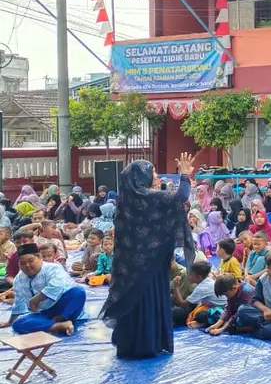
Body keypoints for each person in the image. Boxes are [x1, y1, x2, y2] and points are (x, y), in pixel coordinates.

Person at [102, 153, 195, 359]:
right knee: (147, 300)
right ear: (140, 176)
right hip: (148, 263)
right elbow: (180, 197)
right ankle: (147, 343)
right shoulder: (146, 196)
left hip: (129, 265)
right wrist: (185, 175)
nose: (155, 175)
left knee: (134, 300)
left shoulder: (128, 199)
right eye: (152, 171)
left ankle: (131, 343)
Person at [0, 243, 87, 335]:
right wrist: (10, 322)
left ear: (39, 257)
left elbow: (56, 286)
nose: (27, 265)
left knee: (78, 291)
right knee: (18, 324)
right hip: (44, 313)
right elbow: (19, 302)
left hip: (66, 309)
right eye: (22, 263)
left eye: (31, 260)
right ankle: (58, 326)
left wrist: (35, 299)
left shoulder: (53, 268)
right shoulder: (19, 279)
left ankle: (58, 320)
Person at [171, 261, 226, 327]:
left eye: (190, 275)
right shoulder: (207, 280)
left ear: (199, 277)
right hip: (211, 306)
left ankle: (203, 323)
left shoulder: (203, 287)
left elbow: (182, 303)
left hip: (221, 310)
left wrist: (175, 287)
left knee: (200, 316)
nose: (188, 276)